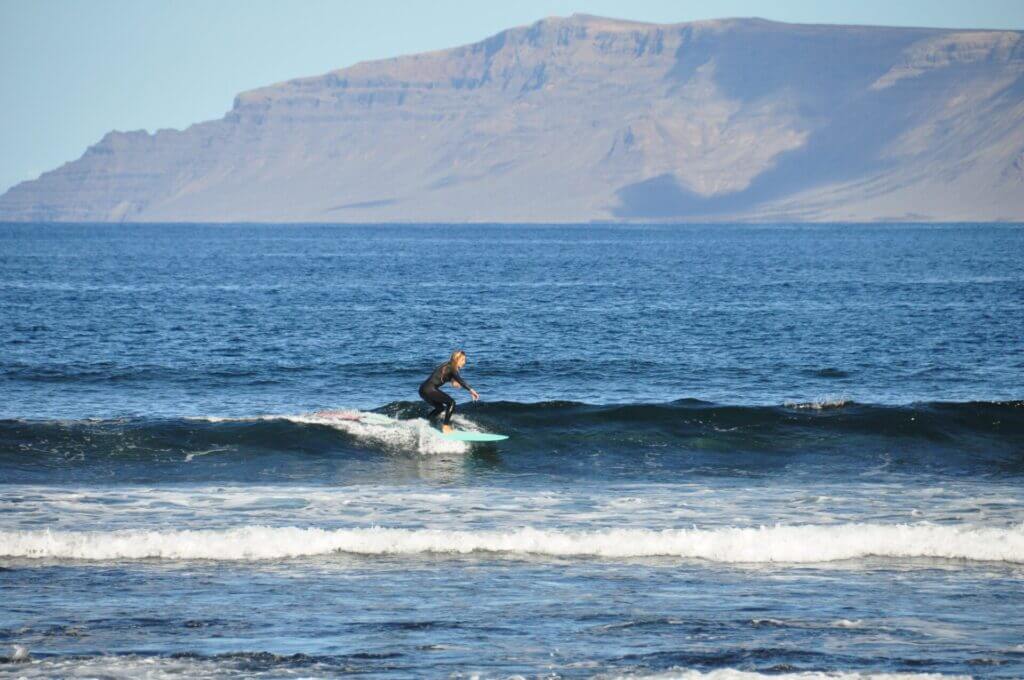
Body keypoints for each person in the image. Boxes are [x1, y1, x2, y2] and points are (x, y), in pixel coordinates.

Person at [419, 350, 479, 433]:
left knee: (440, 408)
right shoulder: (452, 367)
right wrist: (471, 390)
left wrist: (452, 381)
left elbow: (445, 376)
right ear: (456, 359)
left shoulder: (447, 365)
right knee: (451, 403)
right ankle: (446, 427)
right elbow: (460, 380)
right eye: (462, 360)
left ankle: (426, 422)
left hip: (423, 390)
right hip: (429, 389)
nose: (464, 362)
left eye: (465, 360)